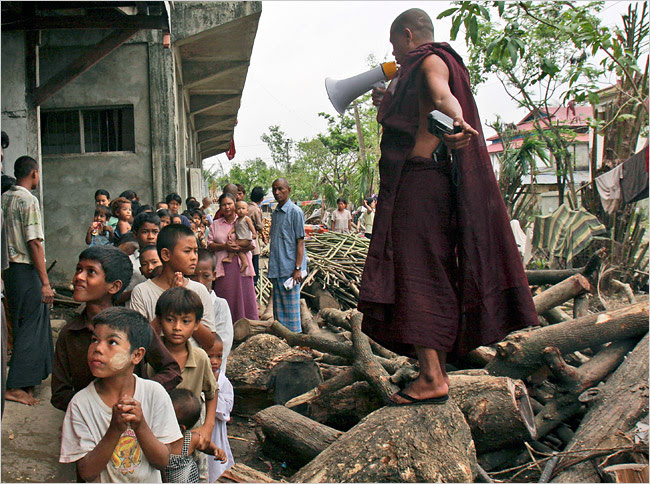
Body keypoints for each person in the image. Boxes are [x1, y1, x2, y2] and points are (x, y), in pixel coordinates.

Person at [358, 8, 538, 405]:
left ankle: (432, 376)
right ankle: (433, 370)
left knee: (417, 272)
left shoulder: (430, 61)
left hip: (420, 186)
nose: (394, 53)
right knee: (428, 269)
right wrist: (389, 99)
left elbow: (443, 96)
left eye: (395, 44)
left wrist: (458, 122)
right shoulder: (419, 69)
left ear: (408, 35)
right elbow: (424, 108)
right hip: (426, 182)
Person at [51, 246, 182, 411]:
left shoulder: (134, 326)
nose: (79, 277)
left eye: (91, 272)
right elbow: (59, 394)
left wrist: (140, 394)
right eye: (78, 269)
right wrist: (94, 406)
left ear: (114, 287)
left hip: (133, 418)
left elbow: (172, 371)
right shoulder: (70, 333)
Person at [59, 307, 181, 483]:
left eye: (112, 342)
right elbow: (86, 473)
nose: (98, 348)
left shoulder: (154, 394)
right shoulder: (81, 403)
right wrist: (115, 429)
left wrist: (140, 426)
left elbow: (162, 461)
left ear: (137, 355)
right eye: (94, 340)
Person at [2, 155, 54, 406]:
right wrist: (45, 282)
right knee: (32, 325)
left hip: (9, 271)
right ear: (34, 173)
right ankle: (16, 385)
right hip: (25, 268)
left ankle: (28, 380)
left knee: (21, 322)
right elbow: (34, 242)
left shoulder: (4, 198)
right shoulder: (28, 200)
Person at [129, 224, 216, 351]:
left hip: (192, 360)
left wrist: (187, 303)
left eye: (195, 251)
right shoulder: (142, 292)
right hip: (157, 361)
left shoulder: (199, 290)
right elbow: (139, 341)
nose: (194, 257)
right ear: (166, 255)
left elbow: (209, 342)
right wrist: (168, 302)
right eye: (187, 251)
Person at [152, 287, 218, 445]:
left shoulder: (200, 358)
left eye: (185, 321)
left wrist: (208, 426)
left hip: (189, 435)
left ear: (196, 324)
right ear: (159, 320)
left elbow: (212, 392)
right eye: (170, 320)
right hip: (153, 434)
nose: (177, 327)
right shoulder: (150, 357)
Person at [207, 193, 258, 322]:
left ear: (235, 205)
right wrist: (224, 246)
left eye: (229, 204)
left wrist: (238, 248)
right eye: (223, 204)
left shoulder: (244, 220)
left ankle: (247, 326)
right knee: (225, 297)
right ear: (220, 207)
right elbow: (209, 245)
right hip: (223, 267)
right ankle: (225, 327)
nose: (227, 207)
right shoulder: (215, 224)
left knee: (245, 297)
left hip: (242, 268)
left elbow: (252, 244)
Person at [267, 178, 307, 332]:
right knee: (279, 309)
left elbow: (300, 242)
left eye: (280, 189)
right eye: (274, 189)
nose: (277, 192)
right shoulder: (276, 213)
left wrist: (297, 268)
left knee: (291, 311)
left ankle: (294, 338)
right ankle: (282, 337)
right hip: (277, 267)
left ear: (288, 190)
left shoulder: (295, 212)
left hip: (290, 269)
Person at [164, 389, 227, 483]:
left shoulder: (190, 439)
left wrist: (216, 450)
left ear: (181, 428)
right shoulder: (159, 437)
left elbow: (206, 445)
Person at [191, 249, 233, 373]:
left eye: (206, 276)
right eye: (193, 276)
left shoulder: (220, 305)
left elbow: (223, 346)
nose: (200, 282)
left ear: (214, 276)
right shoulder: (181, 302)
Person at [206, 337, 235, 481]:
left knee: (215, 466)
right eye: (209, 356)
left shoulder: (224, 382)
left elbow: (226, 411)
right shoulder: (197, 376)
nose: (214, 361)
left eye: (219, 357)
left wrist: (214, 389)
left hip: (215, 431)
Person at [222, 200, 256, 273]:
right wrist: (230, 232)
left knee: (232, 245)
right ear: (235, 211)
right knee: (239, 250)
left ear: (247, 210)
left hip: (246, 239)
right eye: (238, 209)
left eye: (243, 208)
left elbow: (251, 226)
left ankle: (230, 258)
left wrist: (254, 233)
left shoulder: (246, 218)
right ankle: (245, 262)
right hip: (241, 239)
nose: (241, 210)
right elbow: (235, 228)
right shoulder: (237, 220)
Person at [248, 186, 265, 285]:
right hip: (252, 240)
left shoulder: (246, 207)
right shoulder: (256, 210)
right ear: (262, 199)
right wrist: (264, 236)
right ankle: (253, 284)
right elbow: (259, 226)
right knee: (254, 264)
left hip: (243, 240)